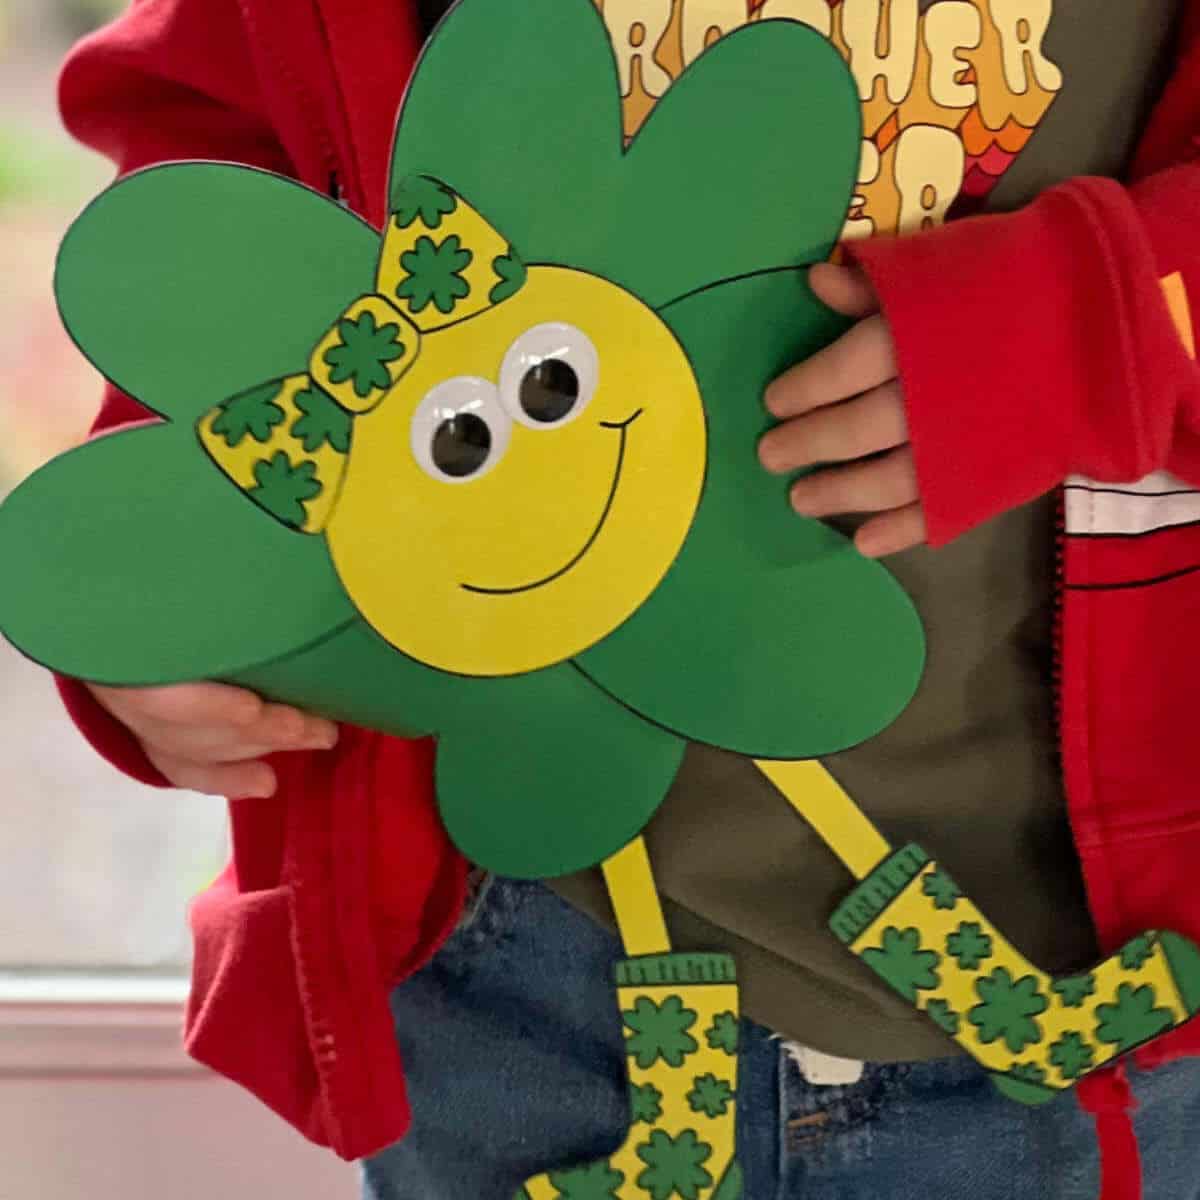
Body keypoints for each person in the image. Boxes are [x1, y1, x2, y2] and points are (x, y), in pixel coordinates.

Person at [48, 0, 1200, 1196]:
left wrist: (1084, 327)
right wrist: (178, 551)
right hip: (503, 951)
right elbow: (228, 160)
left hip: (1088, 961)